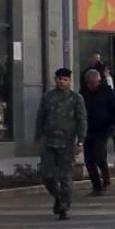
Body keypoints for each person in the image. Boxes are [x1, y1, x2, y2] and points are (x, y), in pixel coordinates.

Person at [35, 68, 86, 220]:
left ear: (69, 81)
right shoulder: (48, 97)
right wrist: (37, 138)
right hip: (49, 142)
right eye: (59, 79)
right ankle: (58, 197)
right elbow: (41, 117)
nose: (61, 82)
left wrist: (80, 141)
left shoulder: (76, 98)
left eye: (64, 79)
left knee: (65, 177)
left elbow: (82, 121)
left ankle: (64, 205)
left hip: (67, 143)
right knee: (47, 175)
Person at [80, 68, 115, 195]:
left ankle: (106, 178)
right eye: (89, 83)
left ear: (98, 81)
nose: (91, 85)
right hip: (88, 129)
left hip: (104, 128)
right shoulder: (83, 93)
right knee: (88, 160)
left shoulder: (107, 92)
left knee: (99, 155)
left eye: (93, 83)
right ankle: (97, 186)